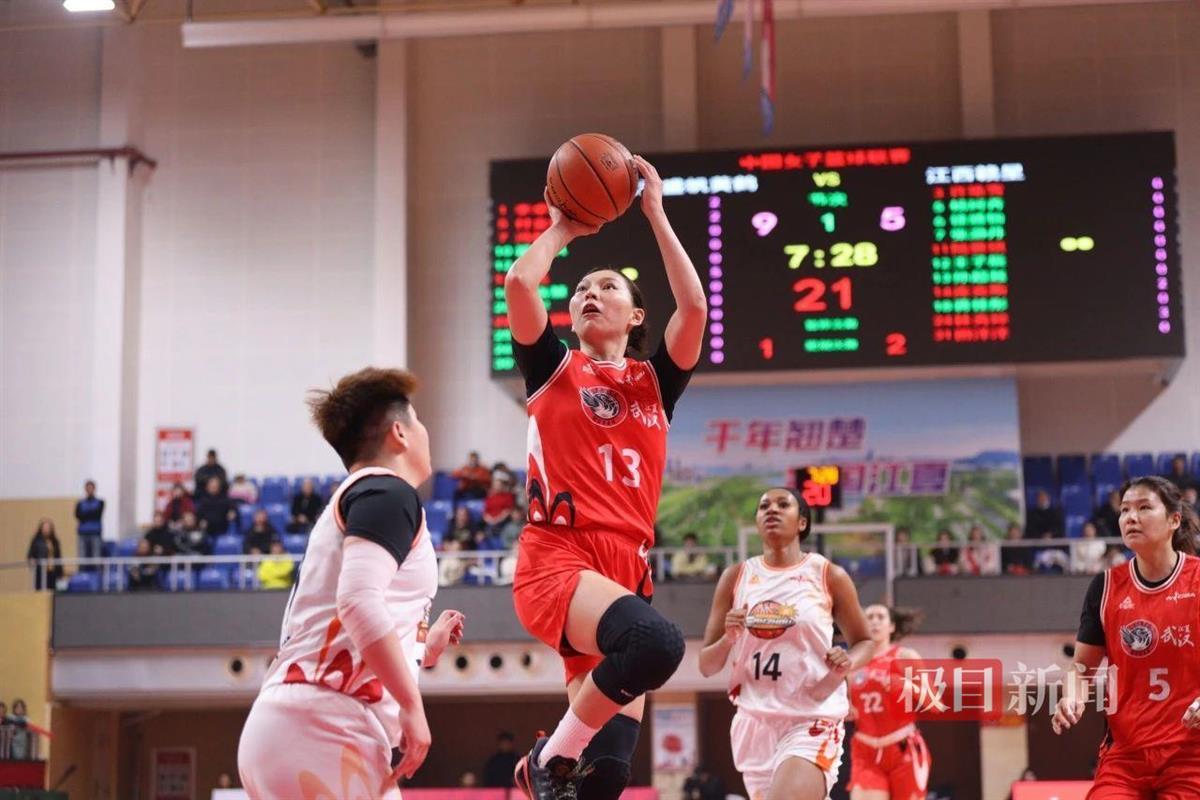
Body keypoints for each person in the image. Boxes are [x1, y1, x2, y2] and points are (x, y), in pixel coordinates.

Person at [506, 156, 706, 800]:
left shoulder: (655, 383)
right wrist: (565, 228)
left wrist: (656, 213)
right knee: (658, 644)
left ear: (637, 316)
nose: (590, 292)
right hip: (559, 555)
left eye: (609, 286)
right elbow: (520, 283)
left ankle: (557, 763)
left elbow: (695, 307)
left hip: (626, 566)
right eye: (582, 289)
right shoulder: (552, 367)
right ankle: (545, 759)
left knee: (608, 774)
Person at [238, 368, 466, 798]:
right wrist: (412, 706)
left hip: (297, 722)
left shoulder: (362, 497)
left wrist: (420, 649)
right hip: (325, 723)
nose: (425, 432)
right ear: (399, 433)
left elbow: (352, 617)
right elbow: (358, 601)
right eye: (418, 421)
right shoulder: (387, 491)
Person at [698, 488, 873, 800]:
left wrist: (849, 661)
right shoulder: (735, 577)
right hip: (754, 720)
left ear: (802, 522)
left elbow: (864, 641)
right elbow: (707, 666)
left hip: (811, 716)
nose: (772, 510)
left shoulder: (828, 575)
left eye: (783, 504)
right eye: (764, 506)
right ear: (757, 521)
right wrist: (728, 639)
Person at [1052, 476, 1200, 797]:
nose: (1131, 517)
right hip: (1126, 758)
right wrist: (1072, 697)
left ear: (1174, 520)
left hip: (1191, 756)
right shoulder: (1105, 587)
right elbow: (1082, 668)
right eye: (1125, 510)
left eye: (1144, 508)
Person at [846, 605, 934, 800]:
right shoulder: (853, 663)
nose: (875, 622)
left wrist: (908, 686)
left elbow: (934, 702)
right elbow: (844, 706)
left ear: (892, 626)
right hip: (865, 749)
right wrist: (845, 710)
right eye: (869, 617)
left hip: (902, 747)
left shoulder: (905, 657)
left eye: (880, 617)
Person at [26, 519, 63, 591]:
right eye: (45, 528)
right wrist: (32, 561)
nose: (46, 530)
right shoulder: (36, 541)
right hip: (41, 571)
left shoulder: (55, 541)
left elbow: (58, 556)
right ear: (41, 529)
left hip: (53, 571)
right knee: (41, 591)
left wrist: (60, 572)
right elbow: (30, 555)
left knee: (53, 591)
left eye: (48, 528)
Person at [74, 480, 105, 562]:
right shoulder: (80, 503)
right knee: (82, 557)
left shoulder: (100, 502)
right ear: (85, 489)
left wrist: (85, 514)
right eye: (88, 488)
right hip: (82, 533)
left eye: (91, 488)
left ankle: (96, 571)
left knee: (96, 557)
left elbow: (97, 515)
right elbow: (78, 515)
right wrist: (91, 512)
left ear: (94, 489)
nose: (89, 490)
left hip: (95, 533)